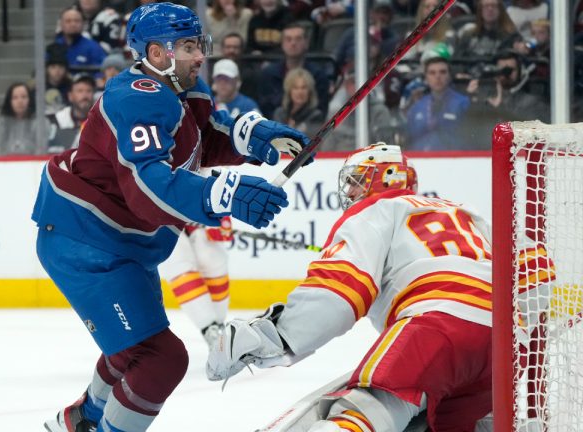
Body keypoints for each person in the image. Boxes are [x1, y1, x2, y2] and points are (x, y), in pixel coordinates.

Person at [32, 4, 310, 432]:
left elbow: (204, 134)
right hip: (86, 241)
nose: (200, 55)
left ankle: (80, 420)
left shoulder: (183, 87)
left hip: (119, 242)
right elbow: (148, 187)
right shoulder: (136, 98)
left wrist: (253, 136)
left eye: (198, 43)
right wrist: (224, 192)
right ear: (157, 54)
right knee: (161, 359)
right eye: (187, 46)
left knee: (134, 349)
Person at [207, 143, 504, 431]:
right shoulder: (466, 213)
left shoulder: (376, 209)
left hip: (437, 324)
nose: (350, 191)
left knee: (368, 410)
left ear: (387, 178)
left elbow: (339, 292)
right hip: (505, 342)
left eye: (358, 180)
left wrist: (274, 336)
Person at [159, 215, 233, 347]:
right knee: (177, 262)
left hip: (198, 205)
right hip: (158, 214)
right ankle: (210, 329)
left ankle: (218, 327)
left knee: (211, 256)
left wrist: (222, 214)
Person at [406, 55, 470, 151]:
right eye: (432, 73)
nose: (437, 76)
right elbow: (410, 140)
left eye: (443, 72)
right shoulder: (417, 107)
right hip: (420, 160)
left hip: (453, 160)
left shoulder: (463, 104)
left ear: (449, 76)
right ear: (426, 77)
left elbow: (469, 140)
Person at [0, 83, 46, 155]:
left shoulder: (40, 123)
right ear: (9, 101)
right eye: (15, 97)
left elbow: (42, 151)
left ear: (30, 100)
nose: (20, 101)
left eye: (24, 97)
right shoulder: (1, 124)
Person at [47, 74, 95, 153]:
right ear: (70, 96)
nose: (85, 95)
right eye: (80, 91)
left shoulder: (101, 120)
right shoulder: (58, 119)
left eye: (89, 91)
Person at [273, 68, 324, 139]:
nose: (300, 92)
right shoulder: (279, 113)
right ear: (289, 91)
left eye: (303, 88)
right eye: (295, 88)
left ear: (309, 92)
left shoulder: (316, 115)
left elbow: (309, 140)